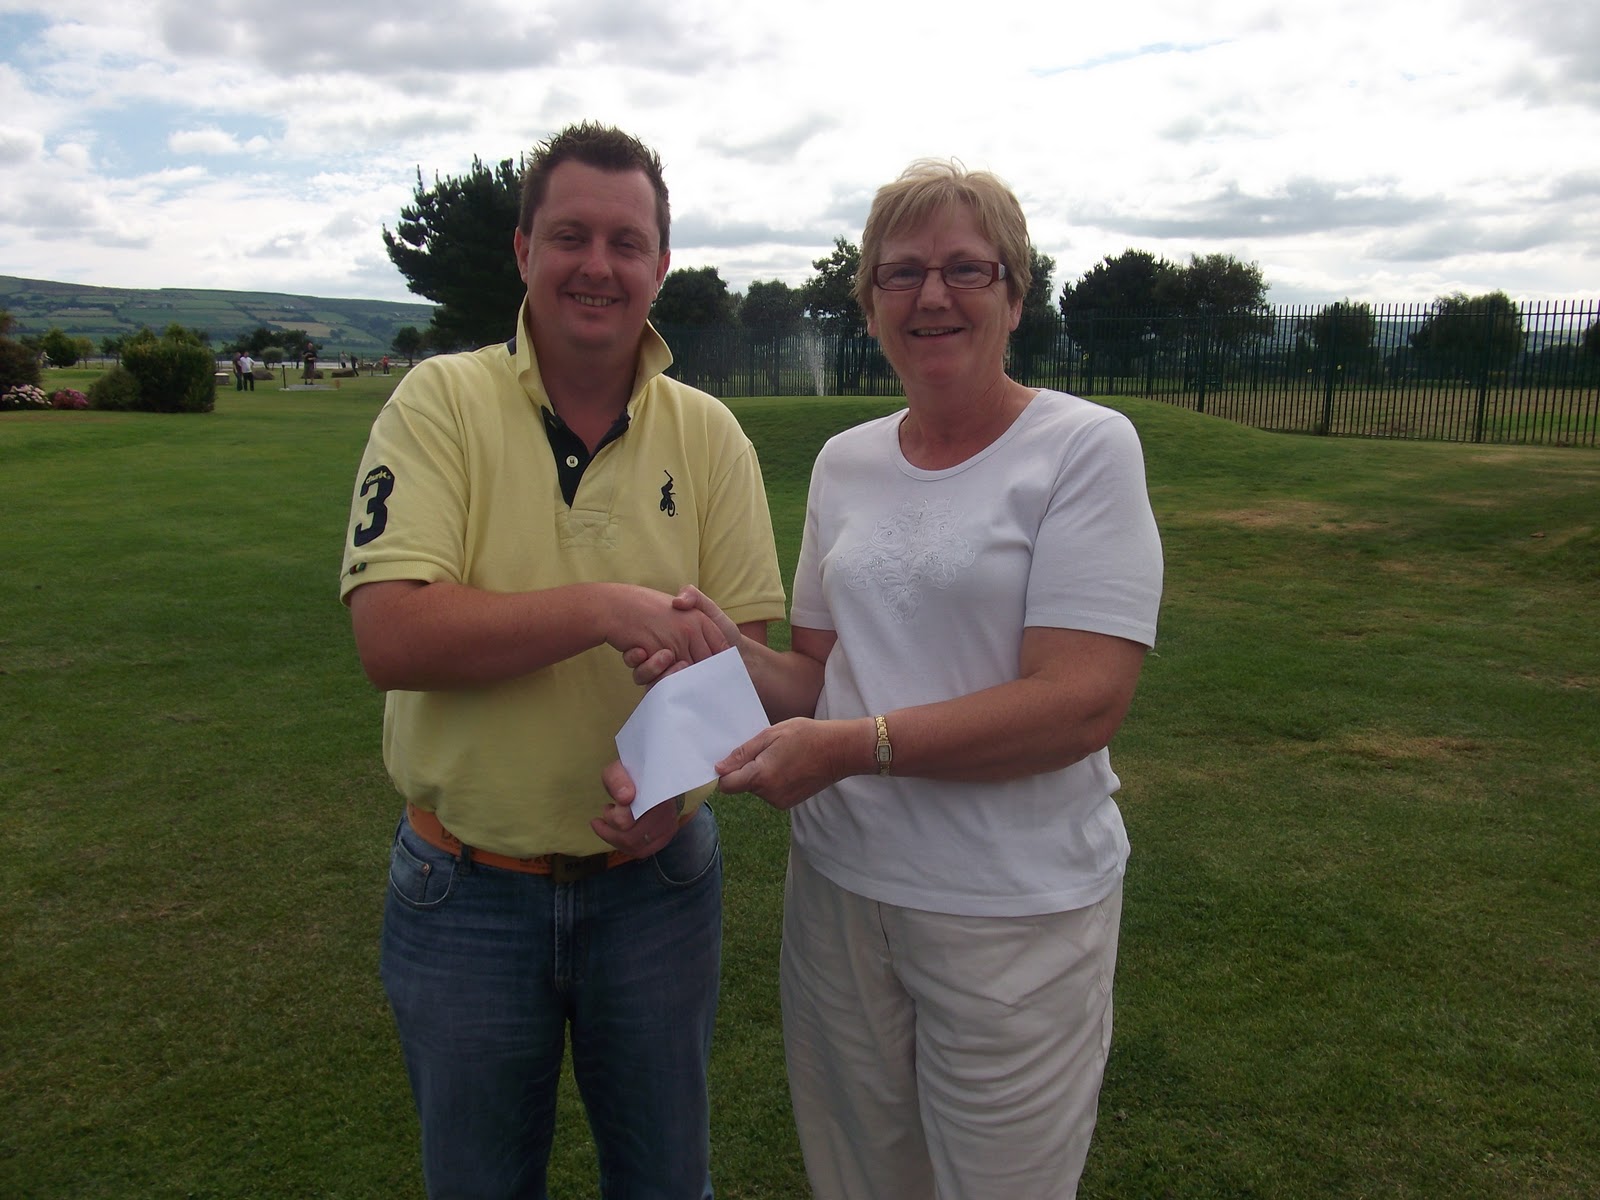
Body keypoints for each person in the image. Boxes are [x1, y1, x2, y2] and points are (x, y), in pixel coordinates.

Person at [613, 160, 1163, 1200]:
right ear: (868, 304)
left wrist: (853, 749)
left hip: (1014, 912)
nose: (932, 296)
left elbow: (1081, 701)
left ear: (1014, 292)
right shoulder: (845, 462)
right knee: (859, 1180)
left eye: (966, 268)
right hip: (841, 895)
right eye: (900, 273)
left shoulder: (1084, 449)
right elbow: (819, 676)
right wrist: (722, 650)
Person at [339, 121, 786, 1198]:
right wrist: (599, 606)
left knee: (665, 1181)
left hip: (658, 890)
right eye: (571, 236)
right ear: (524, 252)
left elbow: (744, 666)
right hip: (467, 891)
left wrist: (671, 793)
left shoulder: (711, 434)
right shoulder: (438, 403)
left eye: (627, 242)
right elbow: (390, 636)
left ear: (661, 266)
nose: (599, 265)